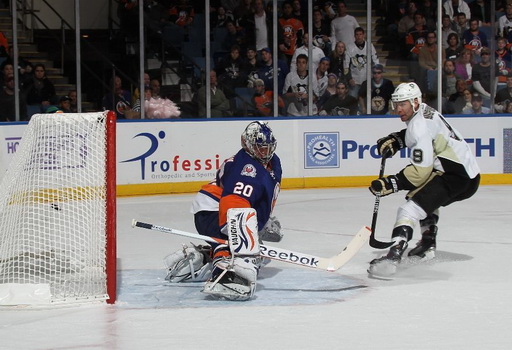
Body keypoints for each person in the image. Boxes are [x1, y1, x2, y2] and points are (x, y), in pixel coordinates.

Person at [368, 82, 480, 277]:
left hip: (453, 177)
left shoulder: (418, 125)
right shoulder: (425, 111)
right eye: (396, 104)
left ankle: (393, 256)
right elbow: (424, 135)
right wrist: (398, 140)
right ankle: (427, 245)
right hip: (470, 177)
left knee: (408, 210)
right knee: (420, 198)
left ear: (415, 102)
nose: (398, 109)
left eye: (403, 104)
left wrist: (391, 183)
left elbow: (420, 172)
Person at [163, 121, 282, 300]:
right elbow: (234, 201)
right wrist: (239, 235)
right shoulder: (246, 168)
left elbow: (257, 198)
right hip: (213, 212)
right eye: (259, 148)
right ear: (248, 144)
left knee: (253, 254)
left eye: (267, 147)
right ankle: (226, 273)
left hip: (221, 209)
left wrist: (261, 223)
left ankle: (202, 258)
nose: (264, 152)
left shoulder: (273, 162)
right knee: (242, 254)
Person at [346, 27, 379, 98]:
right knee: (352, 100)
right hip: (354, 80)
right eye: (357, 34)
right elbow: (346, 65)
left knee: (369, 100)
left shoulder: (369, 46)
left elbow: (375, 61)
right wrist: (349, 78)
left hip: (368, 79)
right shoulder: (349, 47)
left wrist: (376, 74)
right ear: (354, 36)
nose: (359, 36)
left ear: (363, 35)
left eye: (360, 34)